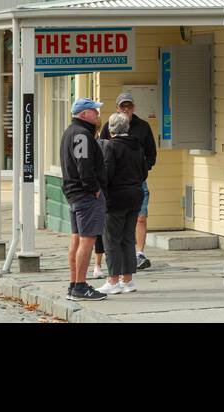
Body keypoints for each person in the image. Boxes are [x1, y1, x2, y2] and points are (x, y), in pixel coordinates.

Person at [99, 91, 158, 271]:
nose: (126, 109)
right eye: (122, 106)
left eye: (129, 106)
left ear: (133, 107)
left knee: (140, 217)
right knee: (116, 224)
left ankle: (139, 253)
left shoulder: (143, 126)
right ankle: (117, 265)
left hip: (136, 180)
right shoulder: (110, 126)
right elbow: (101, 149)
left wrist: (142, 170)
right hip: (115, 182)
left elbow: (150, 154)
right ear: (117, 108)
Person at [60, 97, 108, 301]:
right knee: (87, 241)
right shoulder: (81, 135)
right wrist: (94, 189)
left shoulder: (70, 132)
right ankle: (80, 285)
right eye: (94, 111)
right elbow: (84, 166)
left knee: (77, 239)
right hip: (85, 195)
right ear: (84, 114)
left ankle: (74, 284)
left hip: (73, 194)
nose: (97, 115)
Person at [97, 112, 147, 294]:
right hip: (135, 195)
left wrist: (102, 191)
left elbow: (107, 173)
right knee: (128, 238)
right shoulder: (137, 146)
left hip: (116, 197)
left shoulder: (111, 146)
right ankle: (128, 280)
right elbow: (144, 172)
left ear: (111, 130)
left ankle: (113, 280)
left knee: (111, 239)